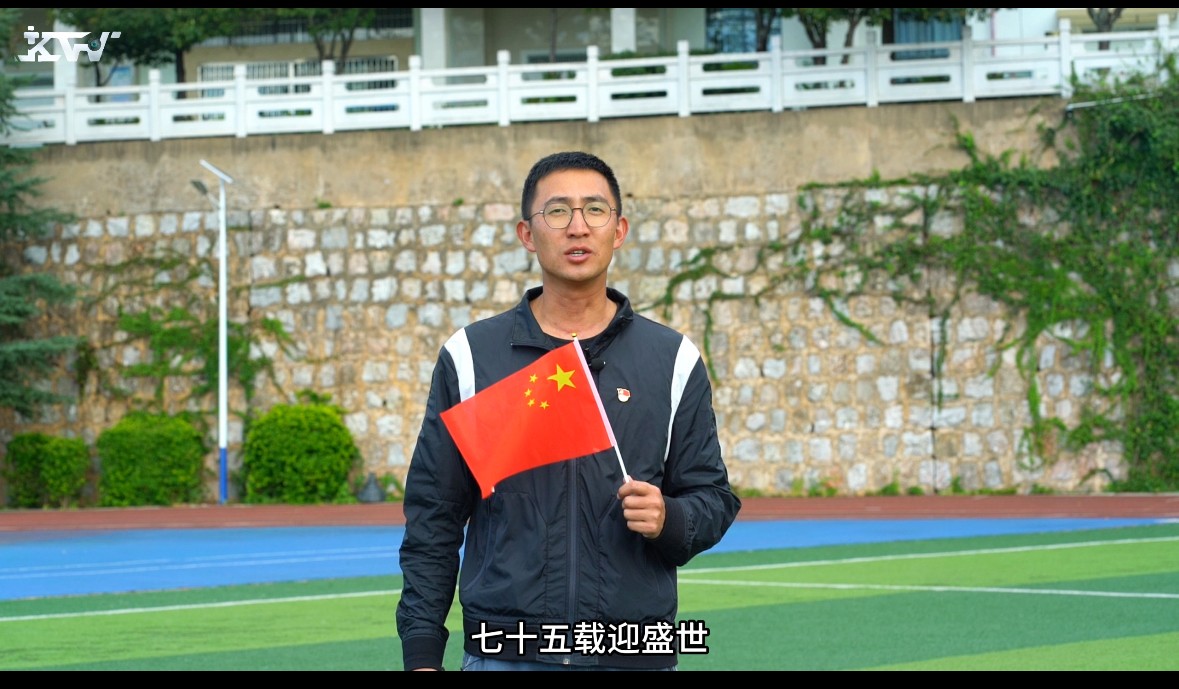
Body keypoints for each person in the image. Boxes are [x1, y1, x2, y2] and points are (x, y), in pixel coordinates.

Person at [396, 151, 742, 671]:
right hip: (504, 655)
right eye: (557, 211)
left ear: (619, 230)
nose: (577, 226)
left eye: (595, 210)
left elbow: (713, 497)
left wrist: (670, 518)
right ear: (527, 234)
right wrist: (422, 653)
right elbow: (433, 517)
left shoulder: (672, 359)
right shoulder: (471, 358)